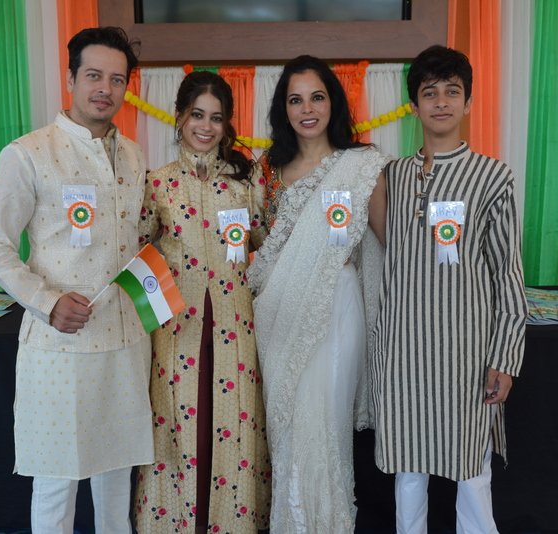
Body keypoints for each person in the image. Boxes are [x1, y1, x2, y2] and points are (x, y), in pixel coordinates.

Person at [0, 27, 152, 534]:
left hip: (126, 342)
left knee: (117, 477)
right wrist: (47, 301)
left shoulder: (134, 155)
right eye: (94, 75)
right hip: (61, 344)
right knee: (57, 480)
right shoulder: (29, 153)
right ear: (71, 78)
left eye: (116, 79)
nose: (105, 89)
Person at [370, 45, 527, 534]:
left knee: (472, 468)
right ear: (413, 106)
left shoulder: (492, 176)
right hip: (402, 353)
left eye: (452, 92)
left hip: (466, 353)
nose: (441, 102)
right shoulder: (392, 176)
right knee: (407, 468)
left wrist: (505, 357)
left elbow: (507, 274)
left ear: (468, 102)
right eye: (429, 93)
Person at [247, 55, 389, 533]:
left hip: (335, 310)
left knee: (322, 425)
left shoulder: (362, 166)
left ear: (334, 102)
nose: (307, 109)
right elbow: (252, 243)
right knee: (285, 428)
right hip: (276, 313)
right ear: (283, 109)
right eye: (295, 100)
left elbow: (393, 243)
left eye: (317, 97)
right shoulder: (267, 170)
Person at [133, 71, 271, 534]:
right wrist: (154, 307)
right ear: (179, 117)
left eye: (216, 118)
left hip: (235, 325)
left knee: (233, 424)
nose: (206, 127)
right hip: (178, 330)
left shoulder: (244, 182)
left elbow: (267, 243)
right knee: (178, 425)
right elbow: (136, 251)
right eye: (197, 115)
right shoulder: (158, 183)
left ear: (227, 124)